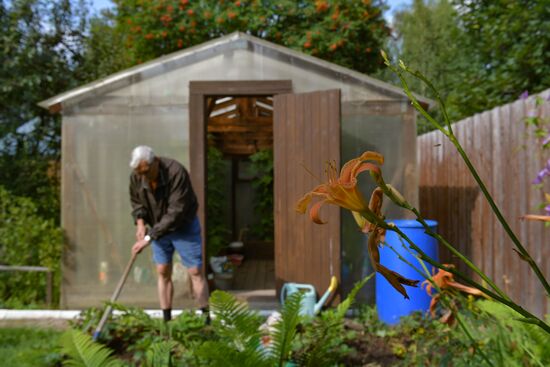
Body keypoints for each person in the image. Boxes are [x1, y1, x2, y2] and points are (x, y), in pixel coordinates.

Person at [129, 145, 209, 322]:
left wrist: (149, 237)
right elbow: (136, 202)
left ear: (155, 161)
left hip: (183, 225)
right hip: (158, 228)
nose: (143, 176)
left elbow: (176, 212)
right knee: (162, 270)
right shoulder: (137, 175)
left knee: (195, 271)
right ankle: (166, 321)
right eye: (139, 173)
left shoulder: (176, 172)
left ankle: (206, 318)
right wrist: (140, 224)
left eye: (146, 172)